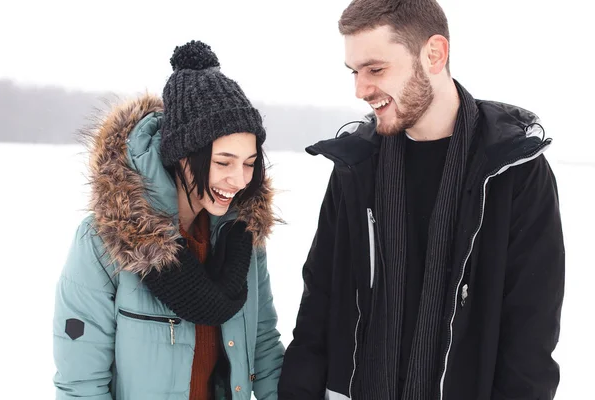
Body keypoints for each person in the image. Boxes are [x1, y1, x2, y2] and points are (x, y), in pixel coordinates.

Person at [278, 1, 565, 399]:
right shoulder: (356, 166)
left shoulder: (513, 171)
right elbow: (318, 305)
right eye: (355, 72)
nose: (361, 89)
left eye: (375, 69)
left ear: (434, 54)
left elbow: (530, 339)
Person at [53, 40, 284, 400]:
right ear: (182, 156)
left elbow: (265, 345)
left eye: (249, 163)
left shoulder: (241, 238)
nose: (238, 180)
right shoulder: (105, 243)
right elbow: (81, 384)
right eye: (223, 162)